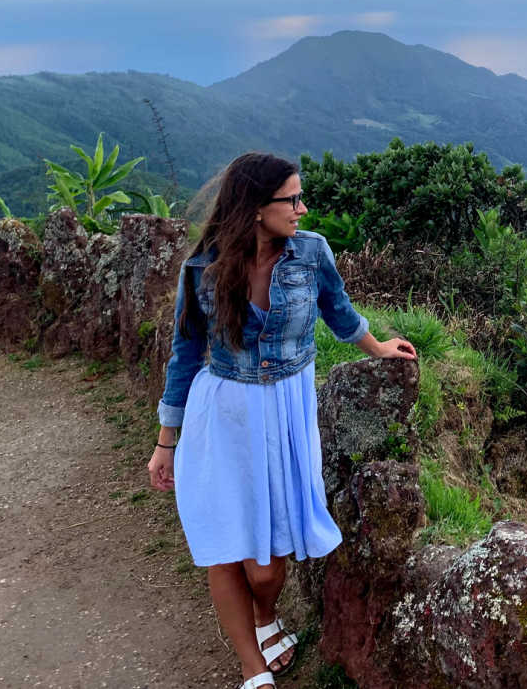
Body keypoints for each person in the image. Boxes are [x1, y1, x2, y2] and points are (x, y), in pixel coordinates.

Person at [147, 152, 417, 689]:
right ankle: (253, 669)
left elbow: (338, 311)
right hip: (224, 416)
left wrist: (377, 347)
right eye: (291, 199)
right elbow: (186, 353)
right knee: (228, 543)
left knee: (268, 565)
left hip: (287, 411)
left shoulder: (311, 253)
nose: (302, 207)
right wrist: (166, 441)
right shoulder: (203, 266)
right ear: (254, 208)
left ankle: (266, 614)